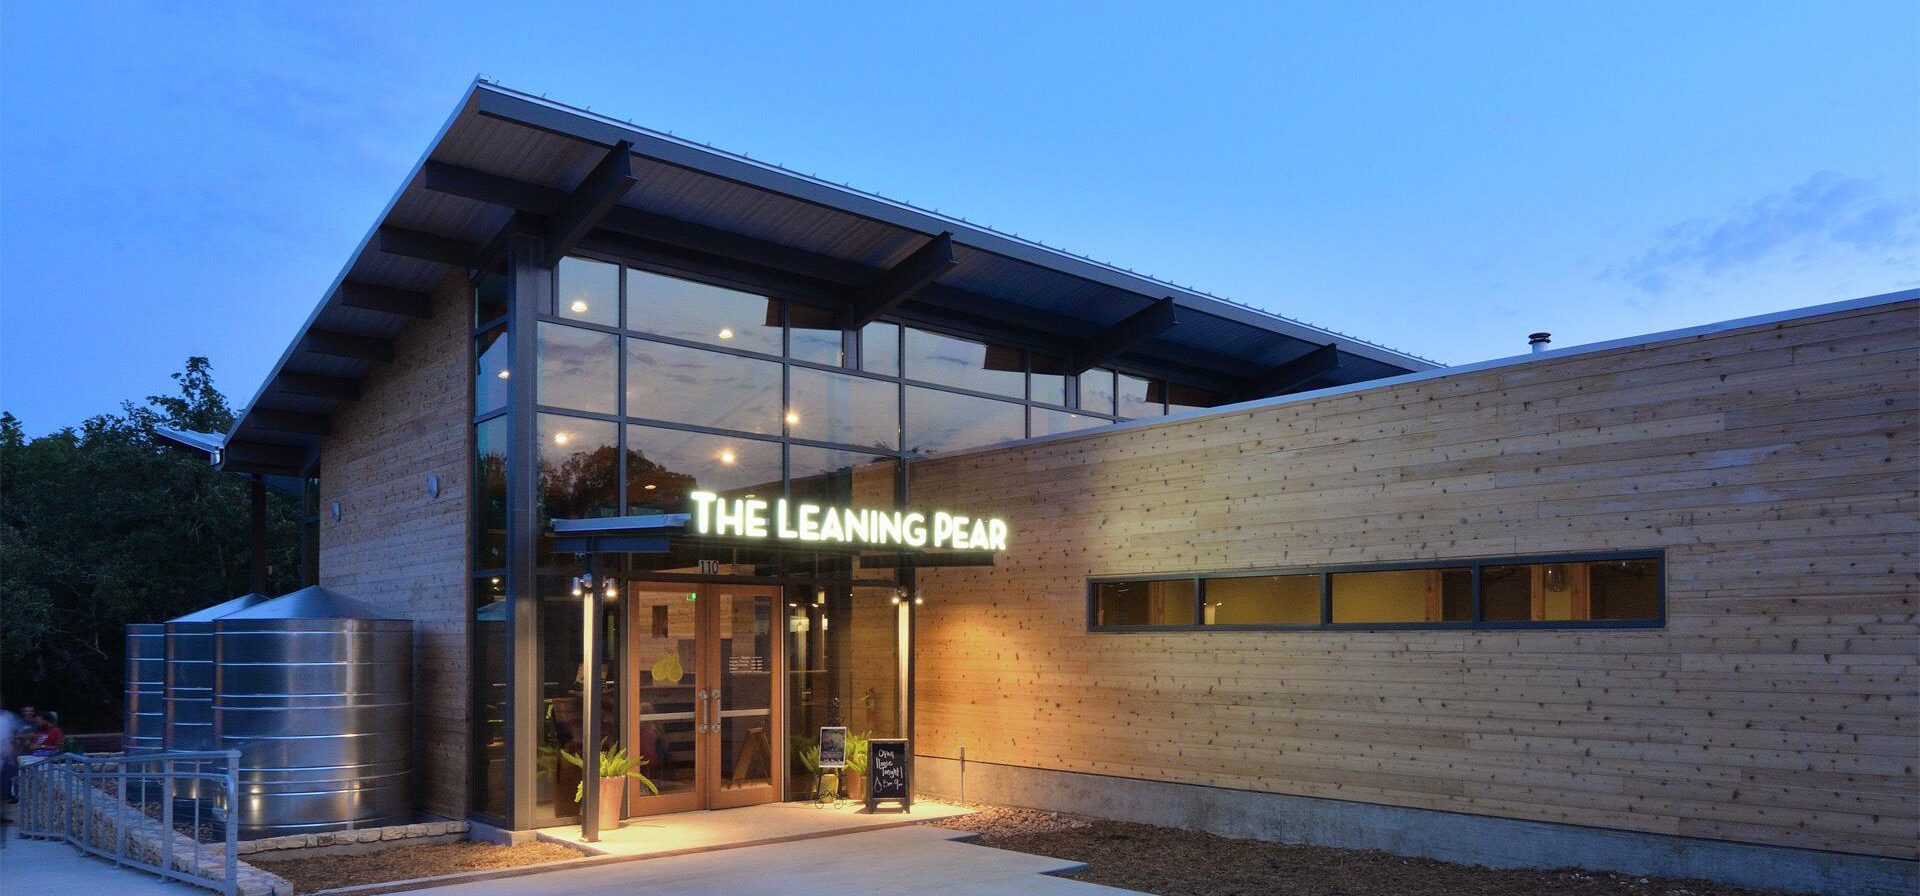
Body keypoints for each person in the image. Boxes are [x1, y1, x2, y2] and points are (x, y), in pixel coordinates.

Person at [0, 701, 23, 804]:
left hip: (6, 759)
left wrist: (14, 751)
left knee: (3, 788)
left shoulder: (8, 717)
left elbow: (16, 734)